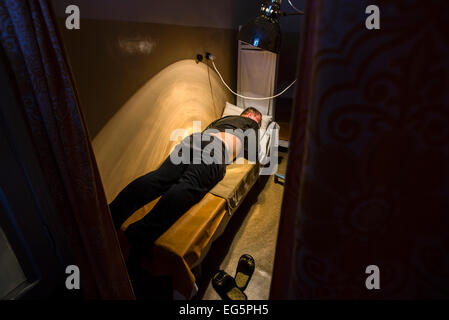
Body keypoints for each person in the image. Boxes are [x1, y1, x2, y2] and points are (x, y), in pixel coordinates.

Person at [109, 107, 262, 266]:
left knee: (158, 178)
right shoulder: (250, 123)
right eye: (258, 122)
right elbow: (252, 153)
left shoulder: (222, 120)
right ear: (251, 116)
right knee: (188, 185)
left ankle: (112, 213)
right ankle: (135, 238)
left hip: (195, 139)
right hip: (217, 147)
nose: (256, 125)